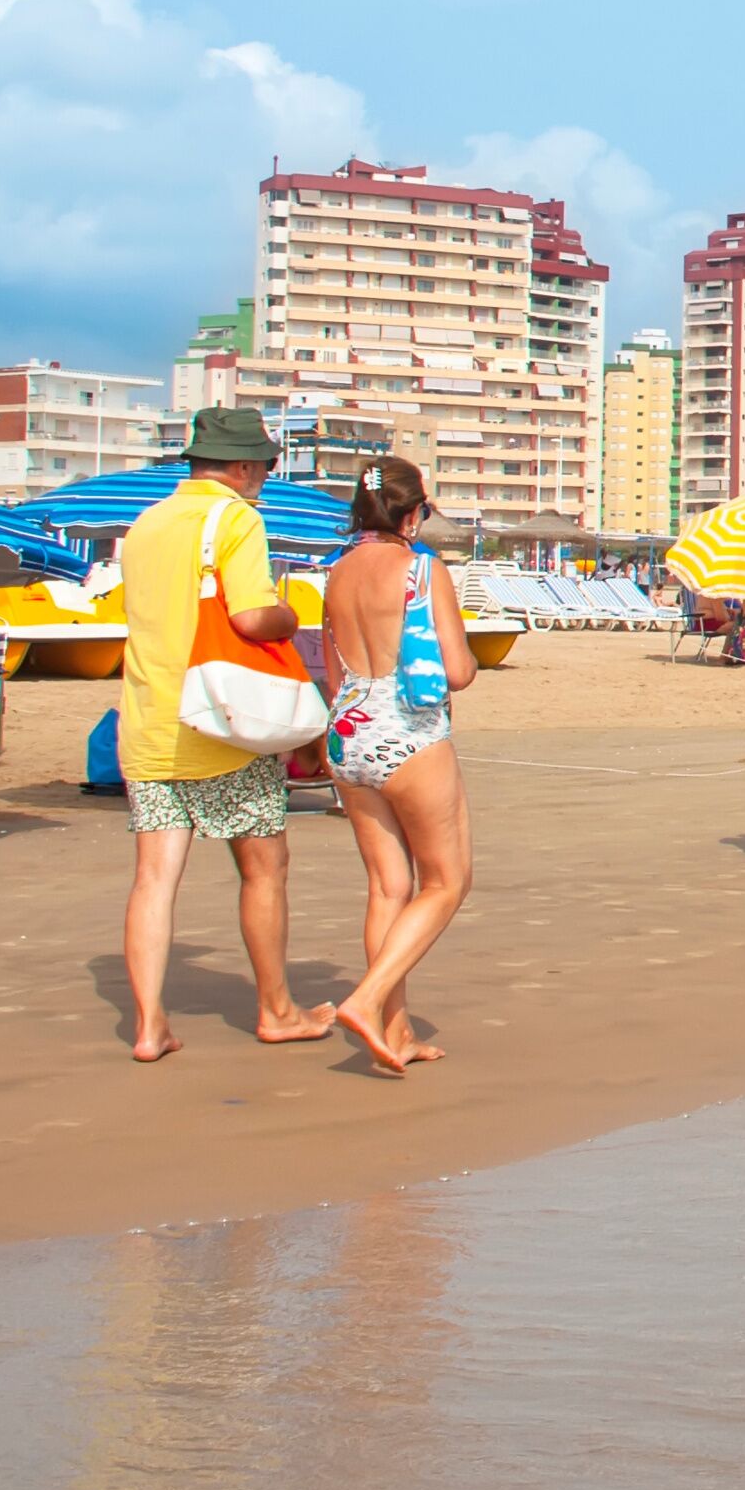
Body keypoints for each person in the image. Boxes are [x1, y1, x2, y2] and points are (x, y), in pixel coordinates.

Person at [117, 405, 326, 1064]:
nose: (264, 476)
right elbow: (251, 618)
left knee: (154, 880)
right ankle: (277, 1009)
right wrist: (292, 615)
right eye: (262, 466)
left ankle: (149, 1026)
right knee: (264, 868)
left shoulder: (146, 524)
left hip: (149, 720)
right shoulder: (235, 518)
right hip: (219, 722)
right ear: (240, 466)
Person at [316, 457, 475, 1074]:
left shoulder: (337, 572)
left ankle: (397, 1029)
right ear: (412, 515)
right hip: (407, 731)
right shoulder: (421, 569)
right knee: (446, 882)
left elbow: (333, 671)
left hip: (346, 732)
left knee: (389, 886)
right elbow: (457, 670)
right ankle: (367, 999)